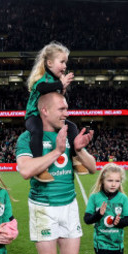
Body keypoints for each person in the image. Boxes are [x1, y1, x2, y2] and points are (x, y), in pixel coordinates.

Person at [16, 92, 96, 254]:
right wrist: (58, 151)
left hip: (69, 206)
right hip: (43, 208)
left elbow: (93, 168)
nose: (66, 112)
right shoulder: (28, 138)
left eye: (67, 108)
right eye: (61, 108)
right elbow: (26, 171)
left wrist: (78, 149)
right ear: (45, 111)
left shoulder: (70, 133)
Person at [25, 41, 87, 182]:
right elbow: (41, 88)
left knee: (71, 127)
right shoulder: (43, 78)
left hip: (49, 116)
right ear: (50, 63)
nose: (65, 66)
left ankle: (75, 158)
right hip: (34, 115)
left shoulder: (56, 80)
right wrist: (61, 84)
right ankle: (39, 167)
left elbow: (56, 101)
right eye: (62, 62)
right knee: (37, 131)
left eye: (66, 63)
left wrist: (62, 89)